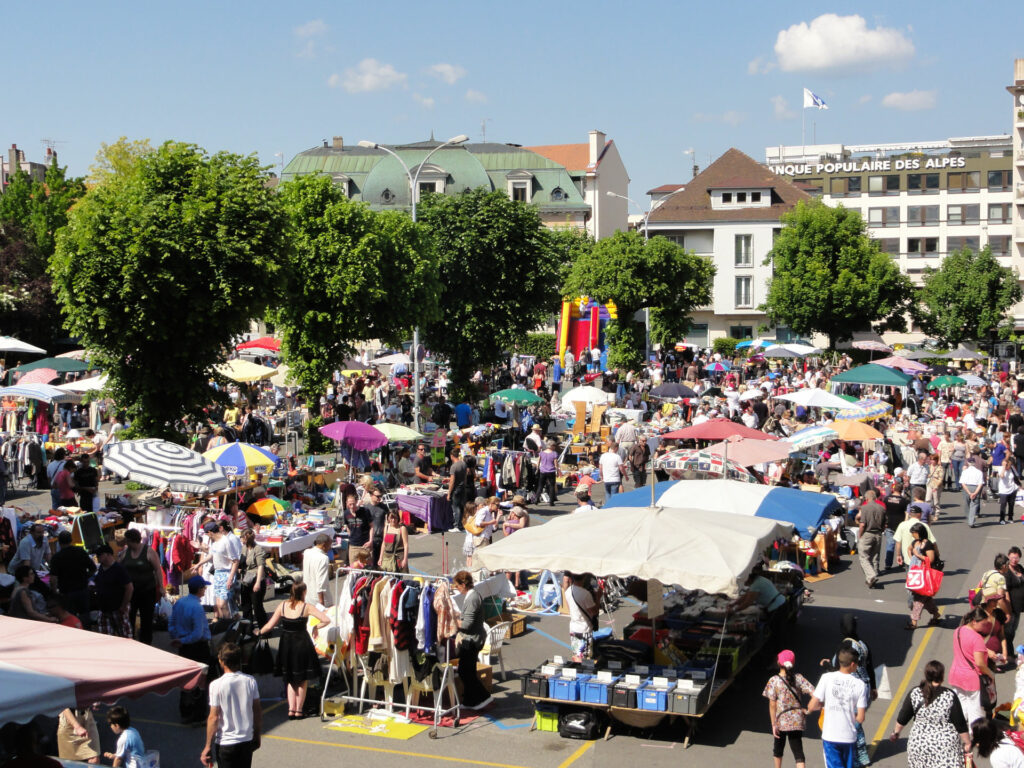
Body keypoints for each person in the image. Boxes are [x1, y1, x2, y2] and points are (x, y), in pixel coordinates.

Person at [255, 582, 330, 720]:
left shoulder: (282, 605)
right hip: (301, 643)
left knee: (290, 678)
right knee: (302, 679)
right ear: (303, 593)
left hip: (287, 643)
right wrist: (315, 627)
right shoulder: (306, 607)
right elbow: (326, 619)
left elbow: (270, 625)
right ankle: (299, 710)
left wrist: (258, 632)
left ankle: (291, 709)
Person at [888, 660, 970, 768]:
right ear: (942, 676)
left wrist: (896, 733)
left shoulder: (915, 693)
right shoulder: (949, 696)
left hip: (918, 746)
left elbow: (902, 718)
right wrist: (967, 743)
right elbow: (960, 724)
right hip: (945, 748)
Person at [201, 642, 262, 768]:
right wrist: (256, 735)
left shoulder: (216, 685)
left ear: (222, 661)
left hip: (226, 743)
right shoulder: (250, 681)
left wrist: (208, 746)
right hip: (246, 740)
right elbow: (257, 712)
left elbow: (214, 717)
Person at [806, 647, 868, 768]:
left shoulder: (826, 678)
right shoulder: (860, 685)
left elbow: (812, 706)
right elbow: (860, 718)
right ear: (853, 664)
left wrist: (825, 705)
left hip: (830, 735)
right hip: (849, 737)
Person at [170, 575, 214, 723]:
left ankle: (185, 711)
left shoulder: (180, 602)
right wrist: (183, 640)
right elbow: (198, 634)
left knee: (185, 680)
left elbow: (172, 624)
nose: (205, 589)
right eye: (204, 587)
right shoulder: (197, 608)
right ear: (200, 589)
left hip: (184, 647)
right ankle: (199, 714)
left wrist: (178, 640)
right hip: (198, 647)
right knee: (200, 681)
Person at [763, 650, 815, 768]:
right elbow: (815, 693)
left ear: (778, 662)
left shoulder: (773, 680)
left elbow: (772, 704)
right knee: (798, 753)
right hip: (797, 719)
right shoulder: (799, 678)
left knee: (778, 749)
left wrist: (773, 724)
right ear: (793, 663)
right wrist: (808, 710)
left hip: (780, 720)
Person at [949, 606, 998, 724]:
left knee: (960, 708)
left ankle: (958, 733)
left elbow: (968, 647)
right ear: (974, 622)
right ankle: (975, 737)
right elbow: (980, 663)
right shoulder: (977, 639)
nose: (985, 627)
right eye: (983, 624)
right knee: (976, 712)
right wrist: (990, 674)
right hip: (972, 679)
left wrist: (986, 650)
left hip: (956, 675)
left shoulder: (958, 631)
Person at [451, 570, 492, 709]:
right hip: (473, 638)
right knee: (467, 670)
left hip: (472, 640)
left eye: (457, 586)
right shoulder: (472, 595)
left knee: (465, 671)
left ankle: (483, 696)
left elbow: (467, 624)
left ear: (463, 584)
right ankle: (469, 701)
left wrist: (452, 621)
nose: (457, 589)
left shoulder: (472, 598)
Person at [119, 528, 164, 644]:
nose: (126, 543)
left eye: (127, 541)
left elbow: (158, 570)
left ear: (132, 540)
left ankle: (146, 643)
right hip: (131, 593)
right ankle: (131, 641)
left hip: (147, 591)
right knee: (130, 617)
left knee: (146, 620)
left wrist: (161, 586)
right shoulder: (125, 552)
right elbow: (119, 567)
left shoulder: (149, 552)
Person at [48, 530, 96, 626]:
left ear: (59, 542)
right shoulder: (81, 552)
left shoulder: (57, 557)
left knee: (70, 619)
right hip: (82, 589)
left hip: (67, 592)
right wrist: (85, 577)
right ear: (71, 540)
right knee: (85, 616)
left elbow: (53, 579)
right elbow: (93, 569)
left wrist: (54, 592)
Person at [197, 521, 240, 619]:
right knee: (220, 605)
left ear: (210, 532)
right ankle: (232, 624)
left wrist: (230, 578)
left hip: (226, 574)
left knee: (223, 604)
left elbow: (235, 561)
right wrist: (199, 564)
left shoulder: (226, 541)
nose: (207, 537)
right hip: (217, 574)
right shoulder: (215, 543)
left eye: (207, 534)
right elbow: (211, 555)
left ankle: (229, 626)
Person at [905, 523, 943, 630]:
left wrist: (917, 556)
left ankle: (914, 622)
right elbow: (909, 549)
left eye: (914, 533)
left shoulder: (927, 544)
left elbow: (931, 559)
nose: (912, 535)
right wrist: (912, 560)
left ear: (919, 533)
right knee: (926, 598)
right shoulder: (915, 542)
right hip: (915, 573)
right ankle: (936, 615)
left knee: (919, 599)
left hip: (923, 575)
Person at [93, 545, 133, 637]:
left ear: (108, 555)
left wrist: (123, 606)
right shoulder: (101, 569)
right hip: (104, 609)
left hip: (117, 608)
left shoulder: (119, 569)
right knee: (105, 637)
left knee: (125, 636)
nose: (97, 557)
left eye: (100, 555)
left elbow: (129, 588)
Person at [565, 572, 599, 662]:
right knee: (586, 658)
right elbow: (594, 611)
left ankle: (576, 671)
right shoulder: (585, 594)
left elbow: (569, 608)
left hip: (573, 626)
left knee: (577, 654)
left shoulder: (568, 591)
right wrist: (598, 597)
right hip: (585, 628)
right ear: (584, 577)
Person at [855, 489, 885, 589]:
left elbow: (862, 524)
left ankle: (871, 576)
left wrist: (860, 535)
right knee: (874, 556)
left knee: (864, 557)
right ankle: (872, 576)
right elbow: (885, 524)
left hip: (867, 533)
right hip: (878, 534)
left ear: (866, 498)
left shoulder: (865, 508)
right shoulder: (881, 508)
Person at [238, 529, 268, 625]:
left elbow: (260, 566)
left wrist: (258, 582)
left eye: (242, 538)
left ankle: (264, 629)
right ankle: (247, 630)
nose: (241, 540)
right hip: (246, 579)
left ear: (247, 538)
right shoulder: (244, 548)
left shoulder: (258, 549)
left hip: (256, 579)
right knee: (246, 606)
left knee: (257, 606)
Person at [301, 533, 332, 608]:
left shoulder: (307, 552)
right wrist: (321, 602)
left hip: (307, 596)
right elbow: (321, 581)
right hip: (318, 598)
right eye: (329, 545)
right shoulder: (323, 558)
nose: (330, 548)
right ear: (324, 545)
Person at [960, 455, 985, 528]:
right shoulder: (979, 472)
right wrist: (975, 492)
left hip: (967, 488)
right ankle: (971, 521)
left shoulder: (965, 472)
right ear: (974, 463)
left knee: (967, 503)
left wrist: (969, 492)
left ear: (967, 463)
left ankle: (969, 518)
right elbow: (980, 484)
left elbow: (963, 483)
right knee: (974, 504)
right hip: (975, 487)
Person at [537, 439, 560, 506]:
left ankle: (536, 499)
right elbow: (555, 463)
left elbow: (539, 461)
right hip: (551, 471)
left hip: (543, 471)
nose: (555, 447)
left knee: (540, 486)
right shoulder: (554, 453)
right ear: (551, 446)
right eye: (554, 446)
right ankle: (551, 502)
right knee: (552, 486)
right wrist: (557, 470)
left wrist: (538, 468)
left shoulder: (541, 453)